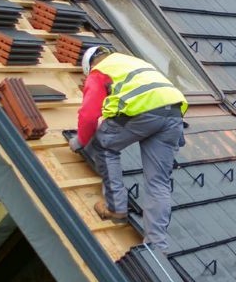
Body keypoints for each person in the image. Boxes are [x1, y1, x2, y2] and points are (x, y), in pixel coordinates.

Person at [68, 47, 187, 252]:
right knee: (158, 183)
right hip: (173, 115)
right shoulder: (134, 62)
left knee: (103, 145)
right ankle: (156, 246)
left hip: (143, 114)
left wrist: (79, 141)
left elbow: (89, 114)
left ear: (90, 66)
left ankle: (116, 208)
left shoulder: (99, 72)